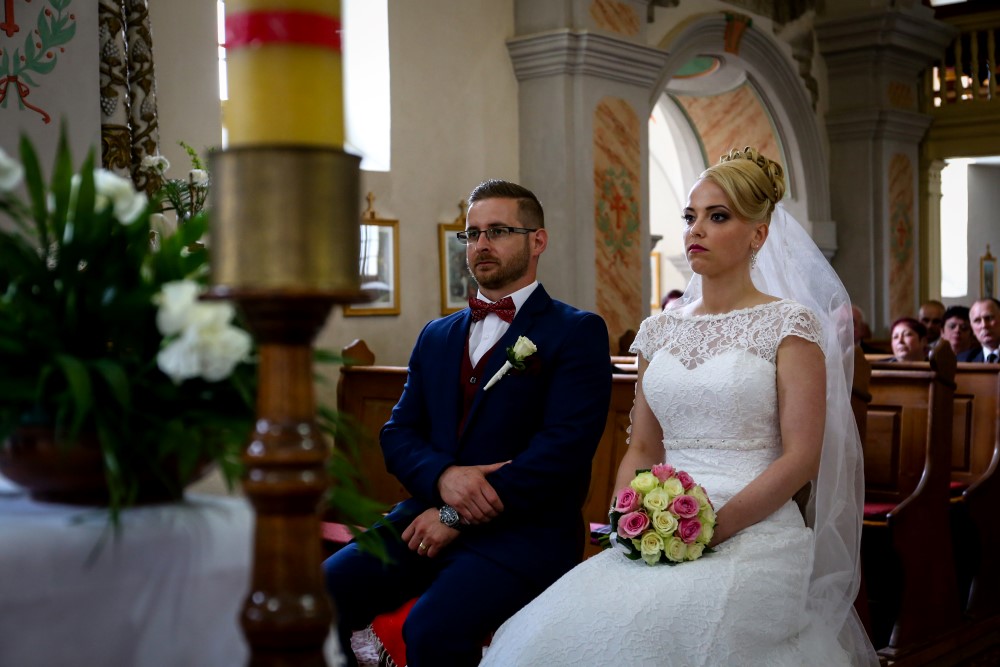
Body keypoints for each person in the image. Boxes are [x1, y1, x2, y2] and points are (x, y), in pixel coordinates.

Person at [480, 148, 878, 666]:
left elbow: (801, 458)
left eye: (719, 217)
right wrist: (626, 518)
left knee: (660, 632)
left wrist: (712, 528)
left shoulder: (789, 325)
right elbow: (644, 447)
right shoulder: (659, 330)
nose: (697, 230)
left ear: (758, 234)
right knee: (550, 634)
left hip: (755, 532)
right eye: (691, 217)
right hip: (659, 529)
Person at [322, 179, 613, 666]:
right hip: (422, 517)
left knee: (432, 628)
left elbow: (562, 452)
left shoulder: (575, 331)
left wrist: (454, 516)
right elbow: (397, 434)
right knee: (323, 591)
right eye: (472, 233)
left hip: (524, 534)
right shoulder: (437, 335)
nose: (481, 244)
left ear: (537, 241)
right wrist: (442, 478)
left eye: (497, 231)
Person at [963, 297, 1000, 362]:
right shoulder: (964, 360)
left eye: (989, 318)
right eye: (977, 321)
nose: (984, 325)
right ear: (972, 328)